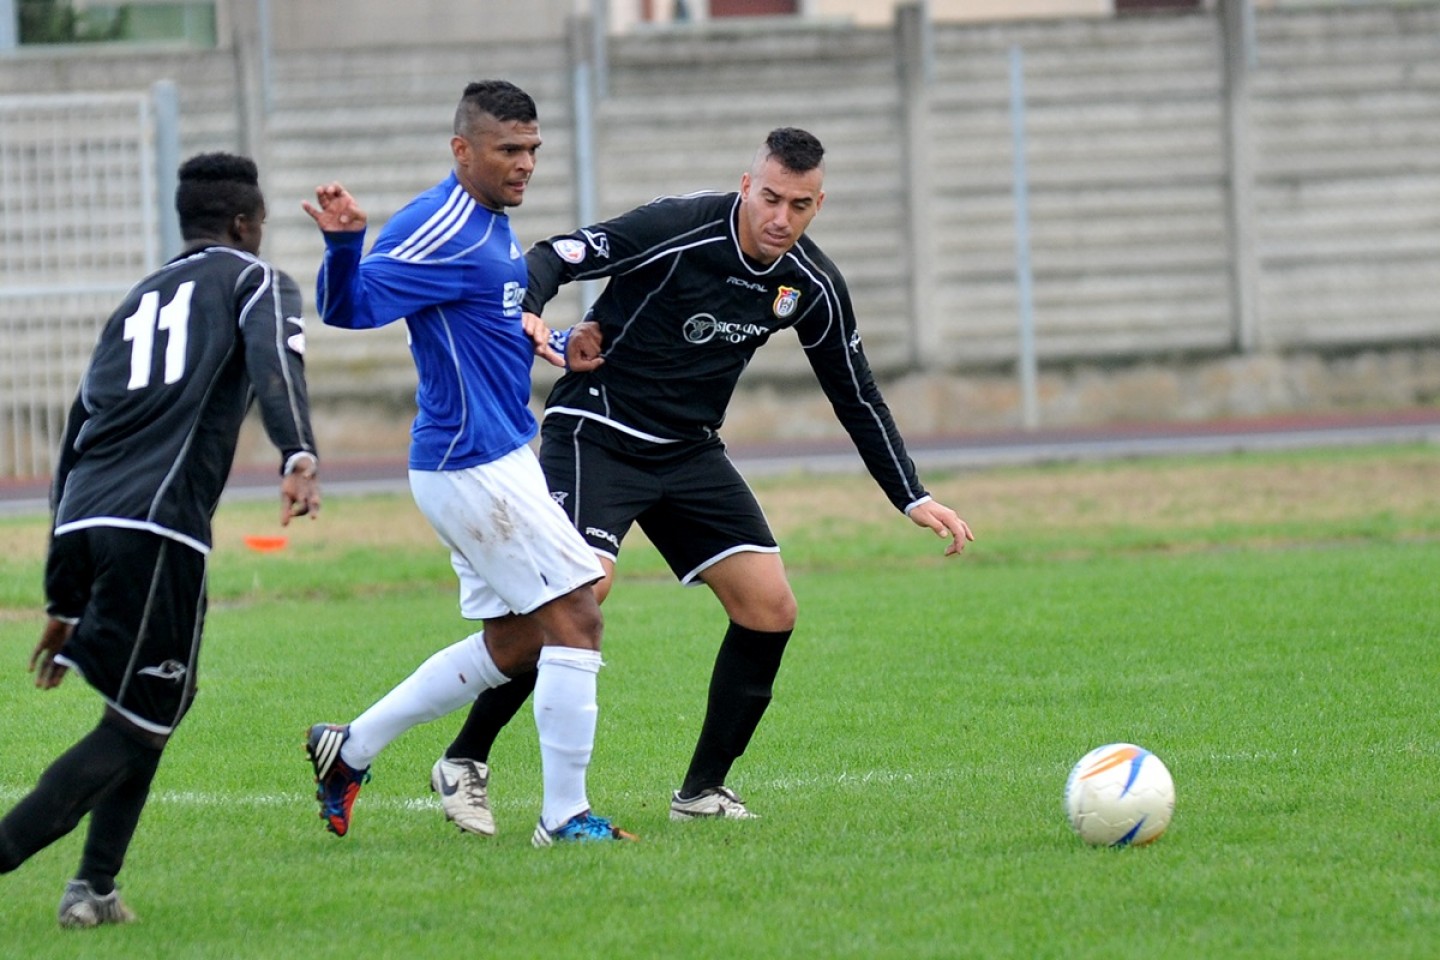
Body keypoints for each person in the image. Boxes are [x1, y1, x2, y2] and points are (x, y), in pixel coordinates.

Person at [404, 125, 974, 835]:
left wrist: (910, 494)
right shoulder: (680, 227)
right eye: (769, 197)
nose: (779, 218)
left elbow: (854, 391)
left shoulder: (813, 285)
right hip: (597, 431)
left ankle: (702, 791)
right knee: (576, 600)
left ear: (817, 206)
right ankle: (466, 759)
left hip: (689, 451)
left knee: (771, 608)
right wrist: (532, 306)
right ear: (747, 186)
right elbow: (558, 254)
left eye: (798, 205)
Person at [300, 79, 633, 845]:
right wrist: (345, 244)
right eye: (508, 150)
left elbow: (483, 309)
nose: (525, 164)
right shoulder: (441, 221)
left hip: (496, 452)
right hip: (470, 461)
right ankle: (564, 818)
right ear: (462, 150)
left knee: (519, 642)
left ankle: (348, 749)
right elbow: (352, 309)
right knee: (579, 614)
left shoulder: (490, 224)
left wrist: (545, 341)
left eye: (533, 150)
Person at [0, 152, 321, 928]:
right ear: (246, 224)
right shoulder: (253, 280)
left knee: (154, 704)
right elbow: (274, 359)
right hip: (157, 525)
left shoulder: (137, 300)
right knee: (141, 720)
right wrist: (298, 451)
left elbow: (77, 431)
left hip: (85, 514)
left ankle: (96, 890)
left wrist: (62, 592)